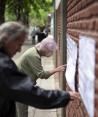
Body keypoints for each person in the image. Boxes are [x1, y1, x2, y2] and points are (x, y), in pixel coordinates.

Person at [0, 21, 79, 117]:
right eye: (19, 44)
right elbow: (29, 92)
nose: (19, 50)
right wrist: (64, 96)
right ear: (8, 39)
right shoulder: (4, 65)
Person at [16, 35, 67, 117]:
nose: (51, 53)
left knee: (20, 109)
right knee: (22, 112)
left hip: (21, 84)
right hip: (19, 86)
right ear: (46, 49)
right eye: (51, 51)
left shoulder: (34, 51)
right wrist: (57, 69)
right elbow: (42, 74)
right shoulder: (34, 56)